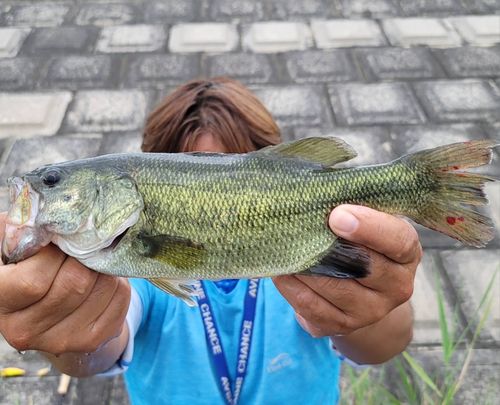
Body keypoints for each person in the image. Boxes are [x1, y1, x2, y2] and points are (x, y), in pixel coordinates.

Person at [0, 78, 419, 404]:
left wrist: (378, 305)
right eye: (188, 168)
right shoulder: (126, 278)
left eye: (52, 182)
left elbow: (385, 343)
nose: (43, 188)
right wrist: (58, 330)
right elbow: (94, 350)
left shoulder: (310, 262)